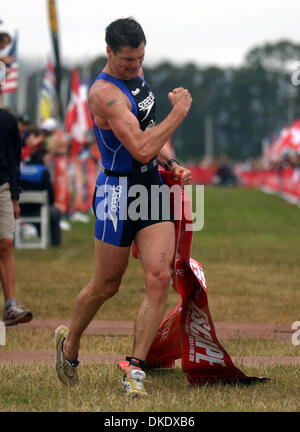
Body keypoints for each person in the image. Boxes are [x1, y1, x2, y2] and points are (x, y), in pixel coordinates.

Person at [54, 17, 192, 397]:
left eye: (140, 58)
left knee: (159, 276)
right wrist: (178, 113)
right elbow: (139, 146)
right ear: (109, 52)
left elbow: (147, 134)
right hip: (116, 193)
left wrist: (167, 162)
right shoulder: (103, 93)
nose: (135, 66)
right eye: (127, 61)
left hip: (149, 187)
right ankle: (69, 342)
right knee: (107, 285)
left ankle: (135, 369)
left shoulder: (136, 71)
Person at [0, 107, 33, 326]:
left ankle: (10, 306)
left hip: (2, 188)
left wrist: (14, 196)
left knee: (6, 244)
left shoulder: (7, 120)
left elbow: (14, 161)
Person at [19, 148, 62, 247]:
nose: (49, 163)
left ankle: (12, 242)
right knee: (55, 213)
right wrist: (51, 204)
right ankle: (55, 242)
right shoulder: (42, 171)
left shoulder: (21, 169)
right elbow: (50, 192)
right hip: (39, 209)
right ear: (42, 158)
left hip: (20, 209)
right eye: (47, 160)